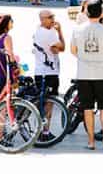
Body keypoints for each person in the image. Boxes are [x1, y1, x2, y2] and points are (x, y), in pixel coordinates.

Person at [70, 0, 103, 151]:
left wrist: (84, 57)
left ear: (86, 12)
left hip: (83, 73)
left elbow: (73, 50)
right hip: (102, 73)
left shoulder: (77, 30)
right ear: (101, 13)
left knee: (87, 108)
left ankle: (91, 141)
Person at [33, 10, 65, 140]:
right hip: (49, 72)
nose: (53, 19)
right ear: (42, 19)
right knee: (49, 103)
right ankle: (45, 132)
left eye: (53, 16)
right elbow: (62, 48)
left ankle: (38, 131)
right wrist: (60, 31)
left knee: (41, 103)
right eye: (50, 17)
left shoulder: (37, 30)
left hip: (40, 72)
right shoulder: (51, 33)